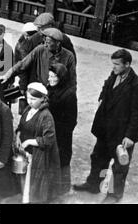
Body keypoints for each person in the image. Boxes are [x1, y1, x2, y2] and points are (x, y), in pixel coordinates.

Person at [73, 49, 138, 204]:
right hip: (105, 129)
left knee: (119, 167)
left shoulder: (137, 86)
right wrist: (101, 97)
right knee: (98, 158)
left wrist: (130, 136)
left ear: (127, 64)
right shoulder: (114, 74)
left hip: (121, 134)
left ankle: (114, 195)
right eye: (112, 64)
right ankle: (94, 184)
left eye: (116, 64)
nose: (113, 67)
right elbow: (106, 87)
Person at [15, 82, 61, 203]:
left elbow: (49, 139)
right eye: (28, 98)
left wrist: (29, 141)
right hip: (26, 153)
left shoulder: (46, 116)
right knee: (25, 179)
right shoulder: (27, 109)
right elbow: (21, 125)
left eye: (33, 99)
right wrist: (18, 136)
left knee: (35, 182)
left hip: (38, 155)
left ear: (42, 99)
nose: (30, 101)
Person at [0, 27, 76, 88]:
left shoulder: (69, 56)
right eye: (44, 42)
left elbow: (72, 80)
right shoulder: (40, 49)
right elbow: (22, 64)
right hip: (42, 90)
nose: (45, 45)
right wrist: (7, 75)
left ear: (58, 43)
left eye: (48, 42)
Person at [47, 63, 77, 194]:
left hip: (62, 134)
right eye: (49, 76)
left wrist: (58, 130)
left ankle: (62, 189)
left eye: (54, 76)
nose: (50, 79)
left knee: (62, 159)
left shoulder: (69, 94)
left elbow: (71, 120)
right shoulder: (50, 88)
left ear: (62, 78)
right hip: (51, 131)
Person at [14, 22, 38, 94]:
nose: (26, 38)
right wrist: (23, 85)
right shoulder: (22, 47)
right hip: (28, 77)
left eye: (27, 36)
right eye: (24, 35)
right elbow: (22, 67)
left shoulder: (38, 42)